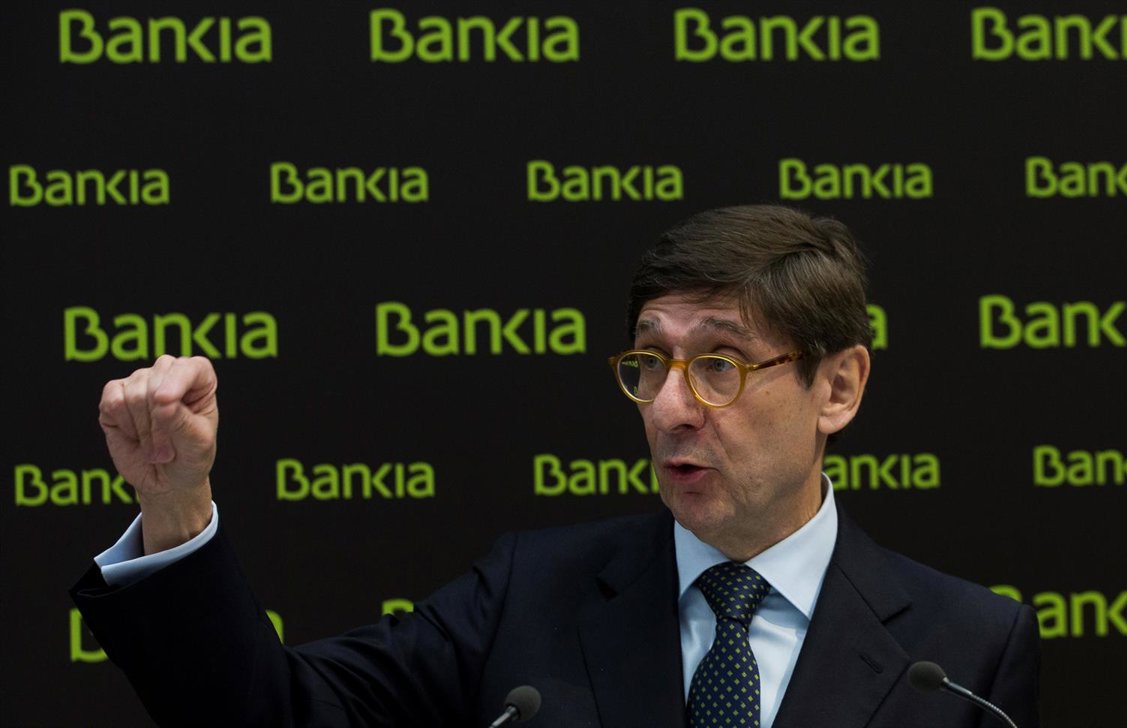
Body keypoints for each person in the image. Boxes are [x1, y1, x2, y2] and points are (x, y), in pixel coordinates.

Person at [72, 205, 1040, 727]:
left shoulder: (964, 652)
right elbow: (274, 716)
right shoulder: (528, 595)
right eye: (649, 362)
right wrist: (175, 501)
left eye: (721, 364)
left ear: (839, 387)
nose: (669, 408)